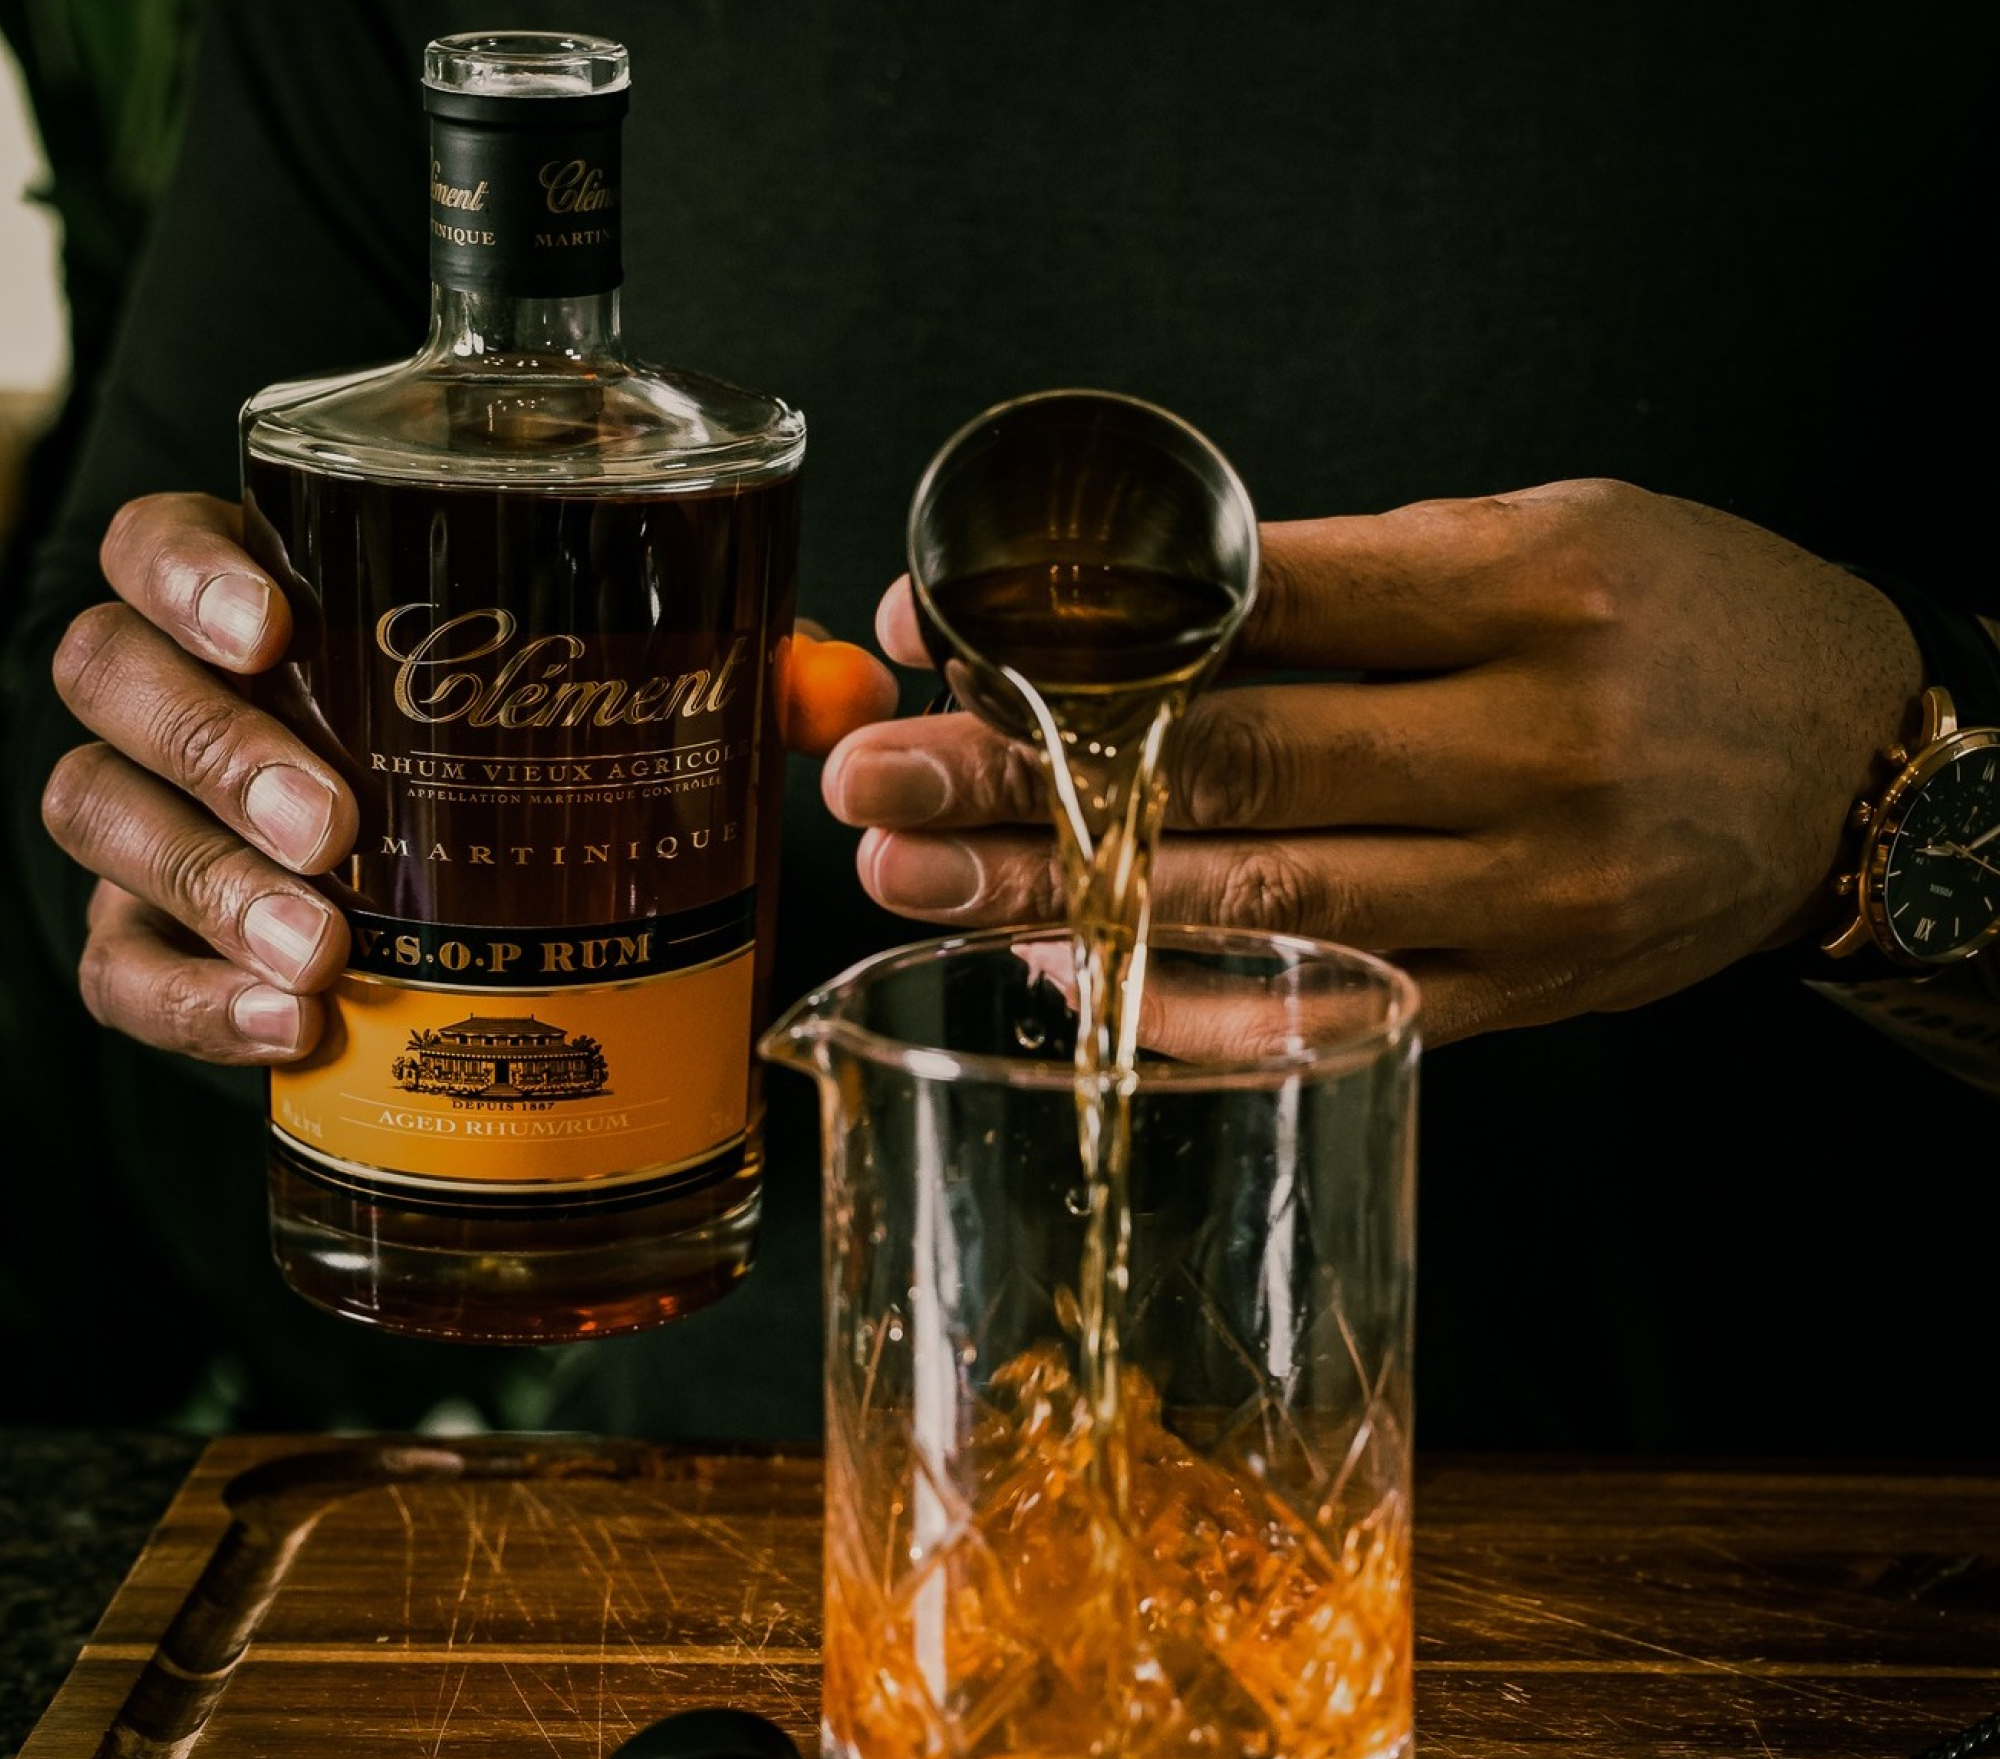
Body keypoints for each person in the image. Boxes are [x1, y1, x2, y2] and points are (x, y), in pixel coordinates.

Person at [4, 0, 1995, 1449]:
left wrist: (1898, 788)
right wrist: (206, 833)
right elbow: (84, 700)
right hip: (746, 1523)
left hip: (1802, 1551)